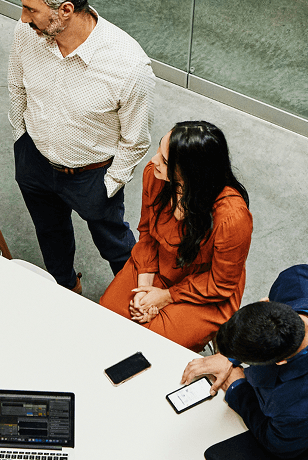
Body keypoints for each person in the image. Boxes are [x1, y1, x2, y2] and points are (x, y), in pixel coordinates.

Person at [10, 0, 155, 293]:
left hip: (91, 176)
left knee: (115, 243)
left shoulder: (129, 65)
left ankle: (133, 298)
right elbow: (16, 86)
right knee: (51, 236)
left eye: (30, 9)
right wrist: (21, 142)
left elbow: (136, 139)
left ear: (64, 10)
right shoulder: (26, 33)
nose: (22, 18)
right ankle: (65, 288)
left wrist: (110, 185)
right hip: (35, 163)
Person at [181, 264, 308, 458]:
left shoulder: (304, 407)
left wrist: (238, 388)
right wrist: (228, 357)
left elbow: (278, 442)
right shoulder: (301, 278)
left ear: (280, 363)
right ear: (266, 302)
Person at [99, 122, 252, 351]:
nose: (153, 161)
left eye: (164, 160)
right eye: (159, 150)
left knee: (152, 346)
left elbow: (220, 283)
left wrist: (166, 296)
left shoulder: (233, 217)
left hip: (205, 288)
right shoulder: (155, 175)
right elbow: (147, 234)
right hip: (159, 264)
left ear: (193, 174)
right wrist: (144, 290)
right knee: (107, 316)